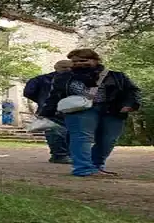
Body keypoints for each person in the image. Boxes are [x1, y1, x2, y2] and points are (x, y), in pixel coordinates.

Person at [40, 49, 142, 177]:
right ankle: (83, 169)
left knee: (108, 139)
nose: (78, 64)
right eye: (74, 61)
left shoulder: (116, 76)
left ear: (96, 60)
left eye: (83, 60)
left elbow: (132, 91)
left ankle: (97, 165)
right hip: (79, 110)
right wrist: (46, 112)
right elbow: (54, 95)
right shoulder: (64, 77)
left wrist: (130, 104)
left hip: (112, 110)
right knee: (81, 137)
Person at [24, 60, 73, 164]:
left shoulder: (41, 79)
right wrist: (42, 100)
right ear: (56, 68)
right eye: (65, 67)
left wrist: (41, 100)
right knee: (55, 131)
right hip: (52, 109)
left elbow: (29, 92)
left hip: (65, 109)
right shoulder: (41, 80)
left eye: (69, 67)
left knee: (65, 132)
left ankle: (64, 155)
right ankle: (60, 155)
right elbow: (28, 92)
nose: (68, 69)